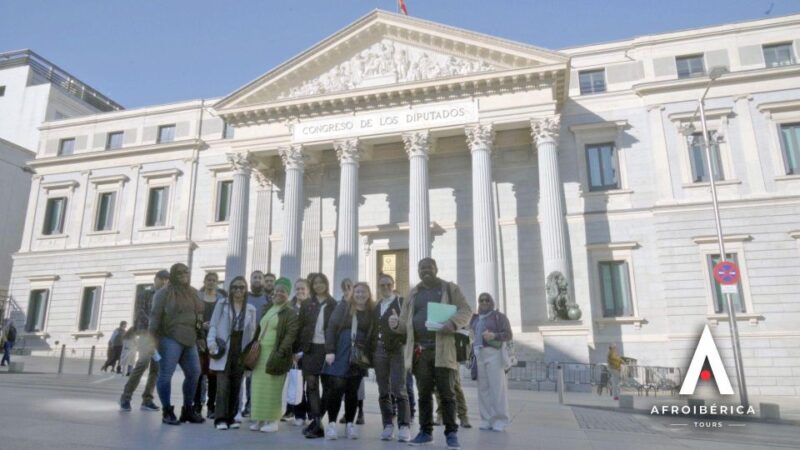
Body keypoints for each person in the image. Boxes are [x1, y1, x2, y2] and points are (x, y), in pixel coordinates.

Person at [389, 257, 472, 449]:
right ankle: (425, 432)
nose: (425, 270)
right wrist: (395, 325)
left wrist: (451, 323)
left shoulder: (449, 288)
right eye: (422, 268)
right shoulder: (413, 293)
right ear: (418, 271)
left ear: (436, 268)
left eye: (429, 267)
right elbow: (403, 325)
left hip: (443, 351)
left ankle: (451, 434)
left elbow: (466, 310)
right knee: (424, 394)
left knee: (448, 394)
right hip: (420, 352)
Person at [149, 263, 205, 425]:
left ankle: (187, 410)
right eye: (179, 272)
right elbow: (154, 318)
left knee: (195, 373)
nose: (183, 274)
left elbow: (199, 316)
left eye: (186, 272)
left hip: (190, 338)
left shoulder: (194, 292)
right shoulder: (163, 293)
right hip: (169, 337)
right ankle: (167, 411)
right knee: (165, 375)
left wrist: (200, 336)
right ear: (173, 275)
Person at [322, 282, 375, 440]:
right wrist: (330, 350)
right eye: (357, 292)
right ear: (353, 293)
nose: (360, 295)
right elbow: (331, 327)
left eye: (364, 292)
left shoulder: (371, 311)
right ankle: (331, 424)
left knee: (353, 391)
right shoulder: (343, 306)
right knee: (336, 388)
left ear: (368, 294)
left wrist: (369, 358)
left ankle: (350, 425)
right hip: (341, 350)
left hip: (359, 353)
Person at [249, 277, 299, 433]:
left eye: (282, 291)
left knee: (272, 388)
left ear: (288, 294)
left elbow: (290, 335)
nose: (278, 293)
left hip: (276, 353)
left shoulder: (289, 312)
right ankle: (259, 418)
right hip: (261, 353)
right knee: (258, 388)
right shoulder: (269, 308)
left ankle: (272, 420)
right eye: (276, 290)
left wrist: (280, 352)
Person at [207, 276, 257, 430]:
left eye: (241, 287)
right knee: (223, 384)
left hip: (241, 347)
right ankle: (220, 419)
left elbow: (252, 331)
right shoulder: (222, 304)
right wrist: (211, 342)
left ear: (245, 289)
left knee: (237, 383)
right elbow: (213, 324)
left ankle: (232, 417)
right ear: (230, 289)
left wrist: (252, 351)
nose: (238, 290)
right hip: (224, 346)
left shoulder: (250, 309)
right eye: (235, 287)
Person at [294, 273, 337, 439]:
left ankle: (316, 422)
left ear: (326, 284)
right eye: (316, 283)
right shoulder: (307, 303)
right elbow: (300, 326)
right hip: (310, 349)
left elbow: (336, 329)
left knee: (327, 387)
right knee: (311, 385)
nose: (319, 285)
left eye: (322, 282)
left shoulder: (334, 304)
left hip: (326, 350)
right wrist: (296, 350)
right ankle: (317, 422)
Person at [120, 270, 168, 412]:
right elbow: (140, 314)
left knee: (156, 369)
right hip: (147, 335)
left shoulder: (167, 296)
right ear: (156, 279)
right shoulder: (145, 294)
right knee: (142, 364)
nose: (165, 282)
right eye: (162, 279)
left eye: (167, 279)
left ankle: (147, 399)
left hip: (161, 336)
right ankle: (126, 397)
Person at [371, 274, 411, 442]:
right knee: (383, 390)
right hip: (379, 350)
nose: (385, 287)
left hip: (396, 351)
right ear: (379, 287)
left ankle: (404, 426)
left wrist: (398, 325)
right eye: (382, 285)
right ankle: (387, 424)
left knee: (399, 388)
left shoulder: (401, 303)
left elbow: (409, 327)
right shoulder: (377, 305)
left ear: (393, 285)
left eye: (388, 284)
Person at [469, 292, 512, 432]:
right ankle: (486, 419)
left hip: (494, 353)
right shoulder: (474, 318)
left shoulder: (499, 316)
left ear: (491, 302)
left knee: (497, 388)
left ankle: (500, 419)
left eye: (487, 300)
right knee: (483, 389)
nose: (484, 302)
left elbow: (508, 334)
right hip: (478, 354)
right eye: (481, 300)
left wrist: (494, 335)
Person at [195, 272, 226, 419]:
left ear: (217, 283)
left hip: (214, 342)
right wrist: (201, 326)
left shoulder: (221, 300)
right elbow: (192, 316)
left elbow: (224, 319)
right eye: (209, 279)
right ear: (204, 281)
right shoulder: (197, 297)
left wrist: (213, 327)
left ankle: (211, 407)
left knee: (213, 375)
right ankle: (197, 405)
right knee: (199, 374)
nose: (211, 282)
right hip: (199, 340)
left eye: (214, 280)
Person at [243, 270, 273, 417]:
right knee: (242, 376)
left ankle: (252, 405)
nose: (257, 280)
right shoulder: (244, 297)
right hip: (243, 341)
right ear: (250, 280)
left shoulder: (268, 299)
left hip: (260, 342)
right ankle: (241, 406)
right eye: (254, 277)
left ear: (263, 281)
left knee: (255, 377)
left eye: (260, 278)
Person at [283, 278, 310, 426]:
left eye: (303, 289)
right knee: (298, 382)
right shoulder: (289, 308)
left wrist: (303, 352)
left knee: (311, 385)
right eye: (298, 289)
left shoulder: (312, 307)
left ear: (308, 290)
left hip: (309, 351)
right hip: (293, 352)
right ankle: (299, 415)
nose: (300, 291)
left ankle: (312, 413)